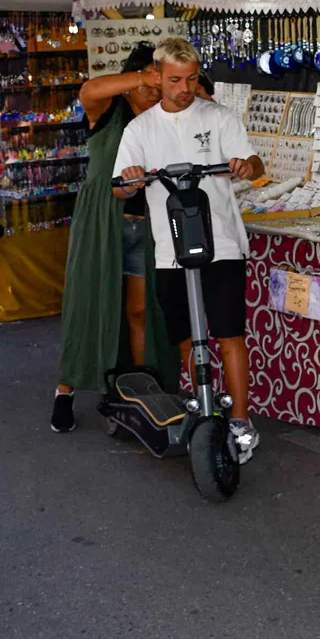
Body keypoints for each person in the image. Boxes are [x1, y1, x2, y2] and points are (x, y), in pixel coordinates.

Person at [114, 37, 265, 462]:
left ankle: (240, 418)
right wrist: (129, 178)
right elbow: (121, 190)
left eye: (191, 78)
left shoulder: (218, 118)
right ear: (158, 78)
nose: (184, 87)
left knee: (229, 333)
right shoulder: (139, 129)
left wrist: (244, 165)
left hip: (222, 244)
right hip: (170, 250)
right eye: (175, 79)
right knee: (185, 335)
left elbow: (255, 166)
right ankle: (199, 401)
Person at [53, 43, 181, 432]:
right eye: (147, 84)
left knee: (140, 312)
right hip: (103, 223)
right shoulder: (108, 112)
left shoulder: (168, 118)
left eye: (160, 86)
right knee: (88, 303)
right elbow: (88, 90)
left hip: (148, 226)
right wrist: (144, 75)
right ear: (128, 84)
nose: (153, 93)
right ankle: (65, 390)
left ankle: (140, 391)